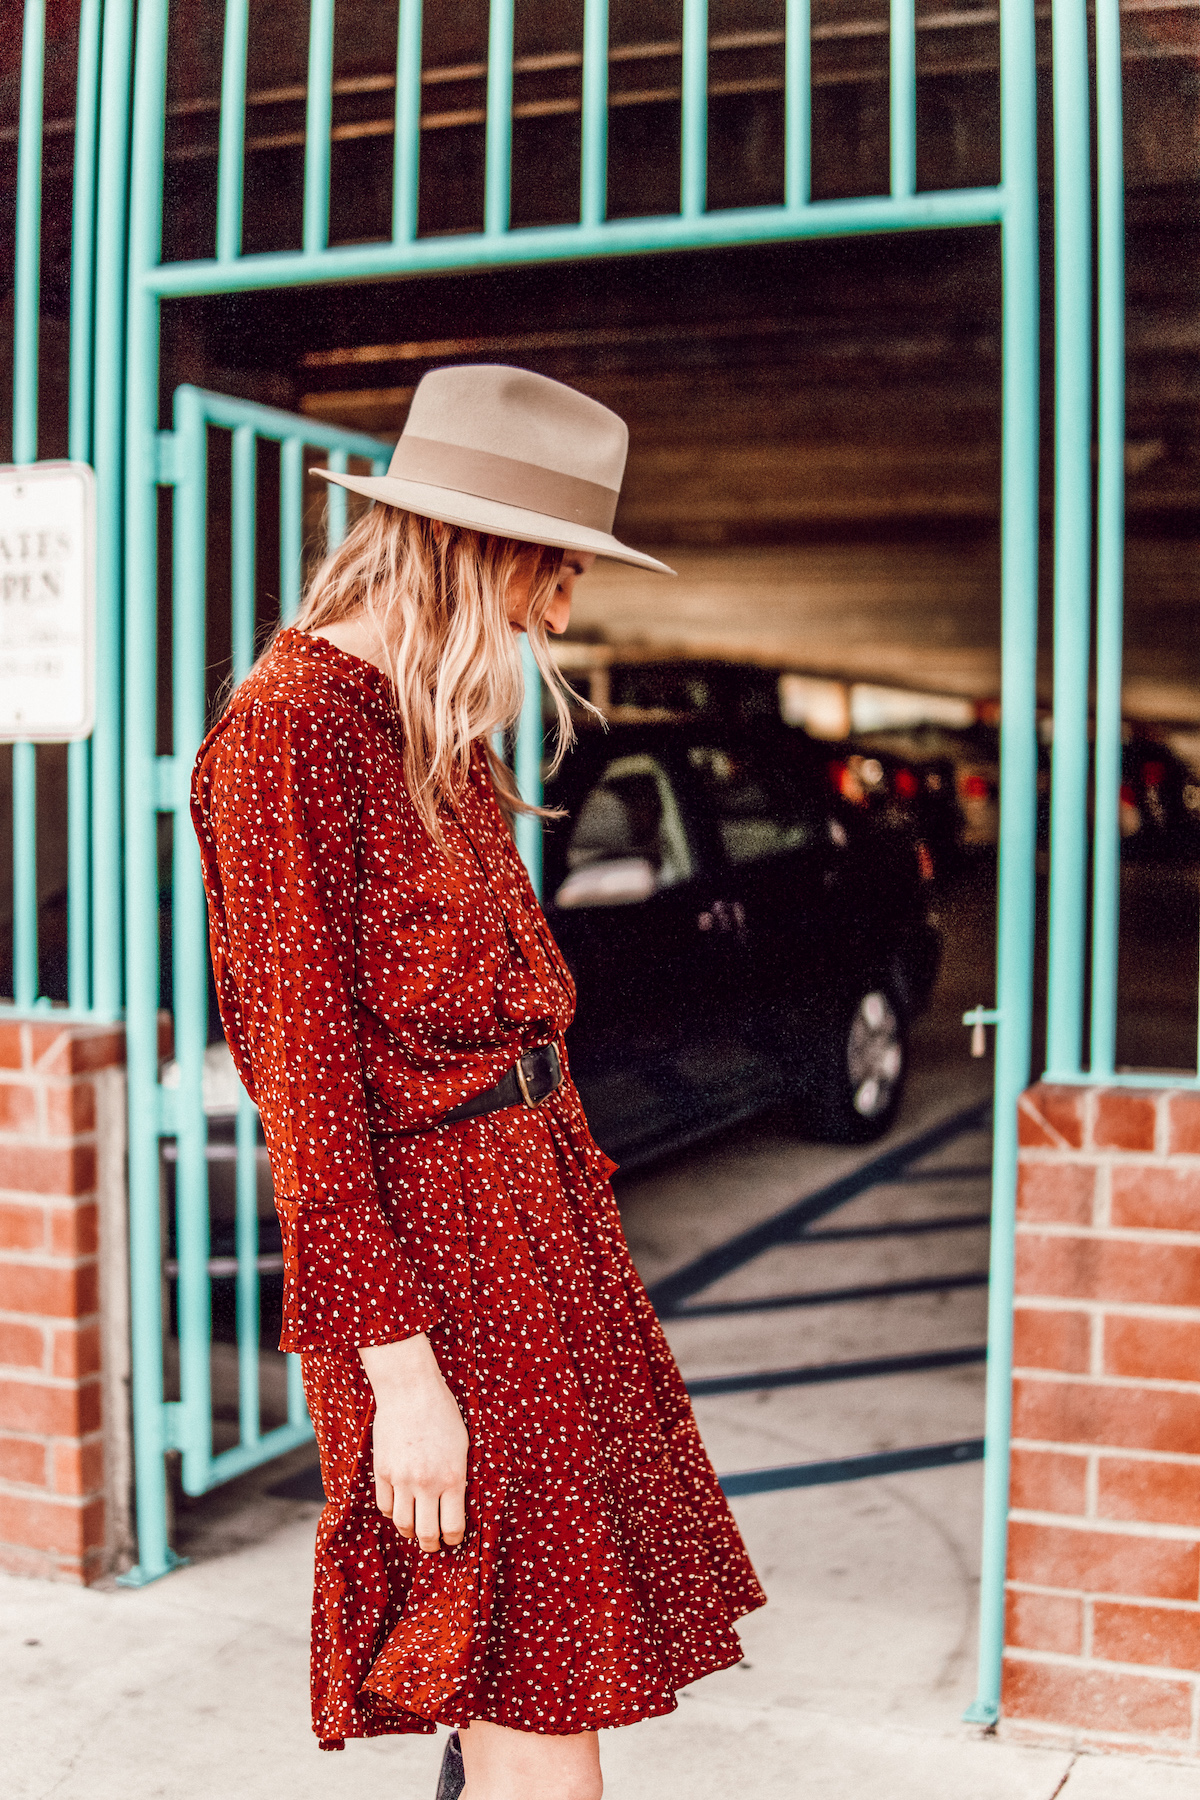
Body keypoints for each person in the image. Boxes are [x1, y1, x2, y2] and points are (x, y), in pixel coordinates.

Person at [191, 365, 765, 1800]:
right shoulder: (290, 734)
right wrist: (402, 1380)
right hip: (438, 1269)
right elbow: (310, 1107)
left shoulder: (424, 722)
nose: (559, 614)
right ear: (474, 543)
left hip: (532, 1220)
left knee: (546, 1661)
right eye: (554, 570)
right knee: (531, 1686)